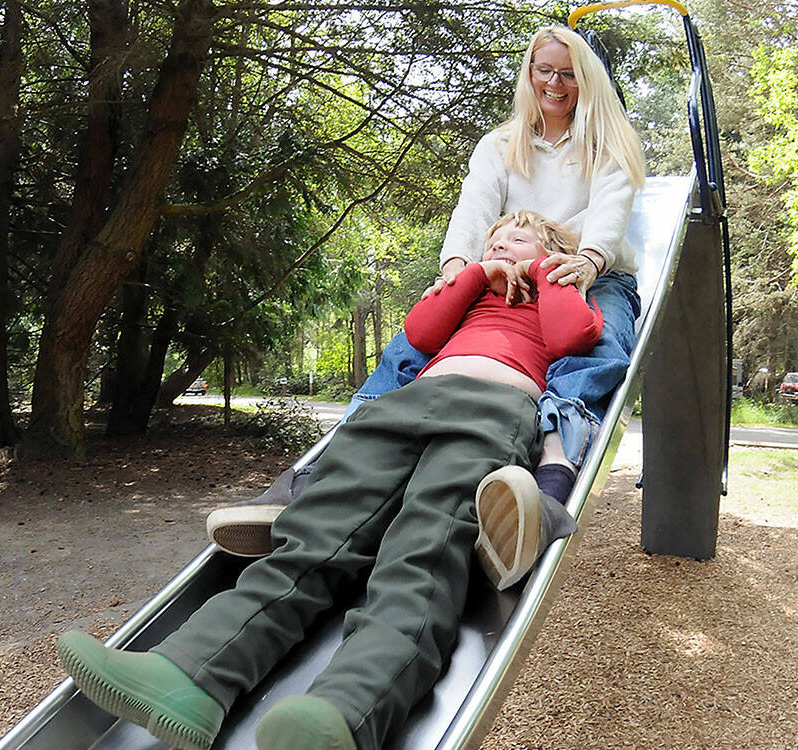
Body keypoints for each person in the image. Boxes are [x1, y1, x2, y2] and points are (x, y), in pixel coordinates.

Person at [57, 211, 601, 750]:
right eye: (493, 240)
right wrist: (476, 275)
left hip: (493, 410)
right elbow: (421, 332)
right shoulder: (472, 291)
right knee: (314, 537)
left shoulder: (562, 290)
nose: (501, 246)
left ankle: (344, 715)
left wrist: (550, 276)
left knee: (421, 553)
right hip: (405, 405)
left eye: (517, 239)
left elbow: (573, 338)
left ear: (550, 247)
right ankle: (192, 672)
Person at [205, 25, 646, 583]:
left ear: (586, 80)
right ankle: (316, 473)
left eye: (567, 73)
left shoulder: (607, 144)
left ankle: (552, 481)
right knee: (415, 340)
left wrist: (587, 262)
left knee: (595, 347)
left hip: (581, 268)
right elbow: (473, 209)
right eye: (543, 70)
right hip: (502, 271)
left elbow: (610, 212)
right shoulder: (501, 144)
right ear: (529, 73)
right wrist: (458, 269)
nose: (554, 83)